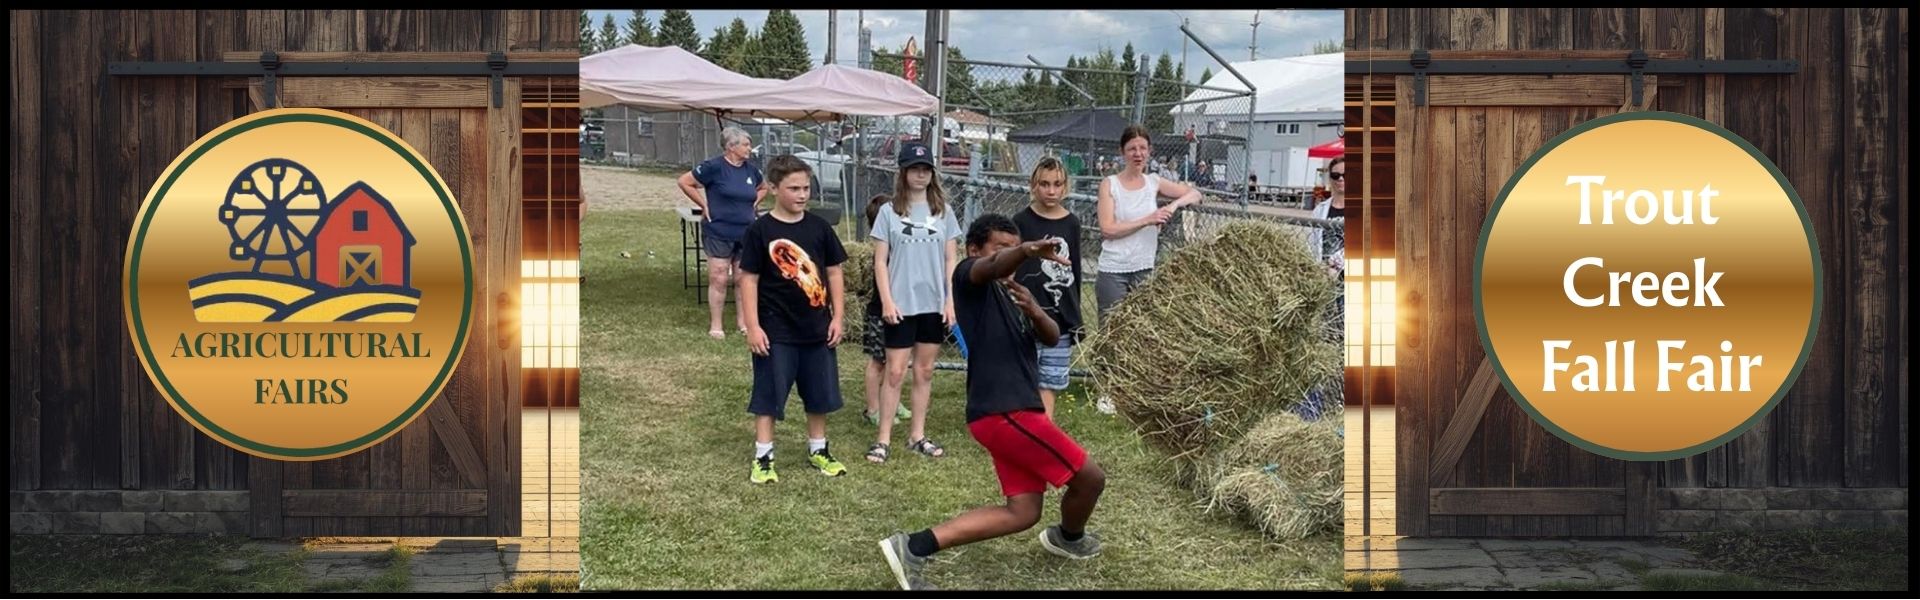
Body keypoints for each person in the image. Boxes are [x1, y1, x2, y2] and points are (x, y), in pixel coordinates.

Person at [877, 215, 1107, 590]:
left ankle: (913, 546)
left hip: (1011, 410)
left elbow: (1050, 337)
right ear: (974, 250)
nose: (1009, 254)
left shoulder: (1010, 291)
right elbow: (993, 265)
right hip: (1006, 410)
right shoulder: (970, 278)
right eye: (1001, 246)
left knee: (1024, 511)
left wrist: (1033, 308)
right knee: (1091, 479)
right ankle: (1069, 538)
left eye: (1014, 245)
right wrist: (1025, 250)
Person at [737, 155, 850, 484]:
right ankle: (763, 456)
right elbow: (748, 279)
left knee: (819, 393)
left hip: (816, 328)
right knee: (769, 394)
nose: (802, 195)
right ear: (772, 188)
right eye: (794, 188)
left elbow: (834, 272)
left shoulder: (819, 228)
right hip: (775, 330)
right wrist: (753, 325)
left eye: (806, 187)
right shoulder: (760, 230)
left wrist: (838, 317)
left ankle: (819, 449)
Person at [1094, 124, 1202, 413]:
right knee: (1112, 330)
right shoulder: (1110, 184)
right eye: (1132, 149)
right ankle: (1108, 390)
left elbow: (1195, 194)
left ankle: (1137, 388)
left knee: (1144, 329)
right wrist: (1148, 218)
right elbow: (1108, 229)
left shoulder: (1154, 182)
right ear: (1123, 152)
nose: (1138, 153)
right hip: (1114, 268)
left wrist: (1174, 206)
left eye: (1142, 148)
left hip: (1144, 268)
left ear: (1149, 151)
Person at [867, 141, 962, 463]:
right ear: (903, 172)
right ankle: (883, 439)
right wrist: (887, 301)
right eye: (914, 169)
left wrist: (950, 300)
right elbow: (880, 261)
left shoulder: (944, 211)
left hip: (932, 304)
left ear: (932, 173)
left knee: (924, 370)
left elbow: (951, 259)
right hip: (901, 304)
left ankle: (917, 435)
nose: (920, 175)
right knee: (894, 372)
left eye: (925, 169)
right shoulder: (888, 212)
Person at [678, 126, 768, 339]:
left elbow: (763, 187)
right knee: (719, 276)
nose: (750, 149)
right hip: (718, 230)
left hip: (745, 232)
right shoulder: (713, 167)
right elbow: (684, 181)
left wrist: (753, 203)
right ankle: (716, 325)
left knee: (741, 277)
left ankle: (742, 322)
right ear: (731, 146)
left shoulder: (751, 170)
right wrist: (703, 204)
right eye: (746, 144)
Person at [1011, 157, 1083, 419]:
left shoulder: (1072, 223)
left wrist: (1074, 316)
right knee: (1023, 377)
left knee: (1049, 382)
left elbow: (1073, 271)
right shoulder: (1021, 220)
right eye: (1044, 184)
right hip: (1025, 315)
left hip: (1059, 319)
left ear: (1065, 187)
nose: (1051, 191)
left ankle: (1045, 432)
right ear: (1033, 185)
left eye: (1057, 184)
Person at [858, 195, 910, 427]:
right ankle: (873, 408)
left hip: (905, 313)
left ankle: (892, 399)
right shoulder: (883, 252)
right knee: (878, 361)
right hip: (881, 313)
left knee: (897, 362)